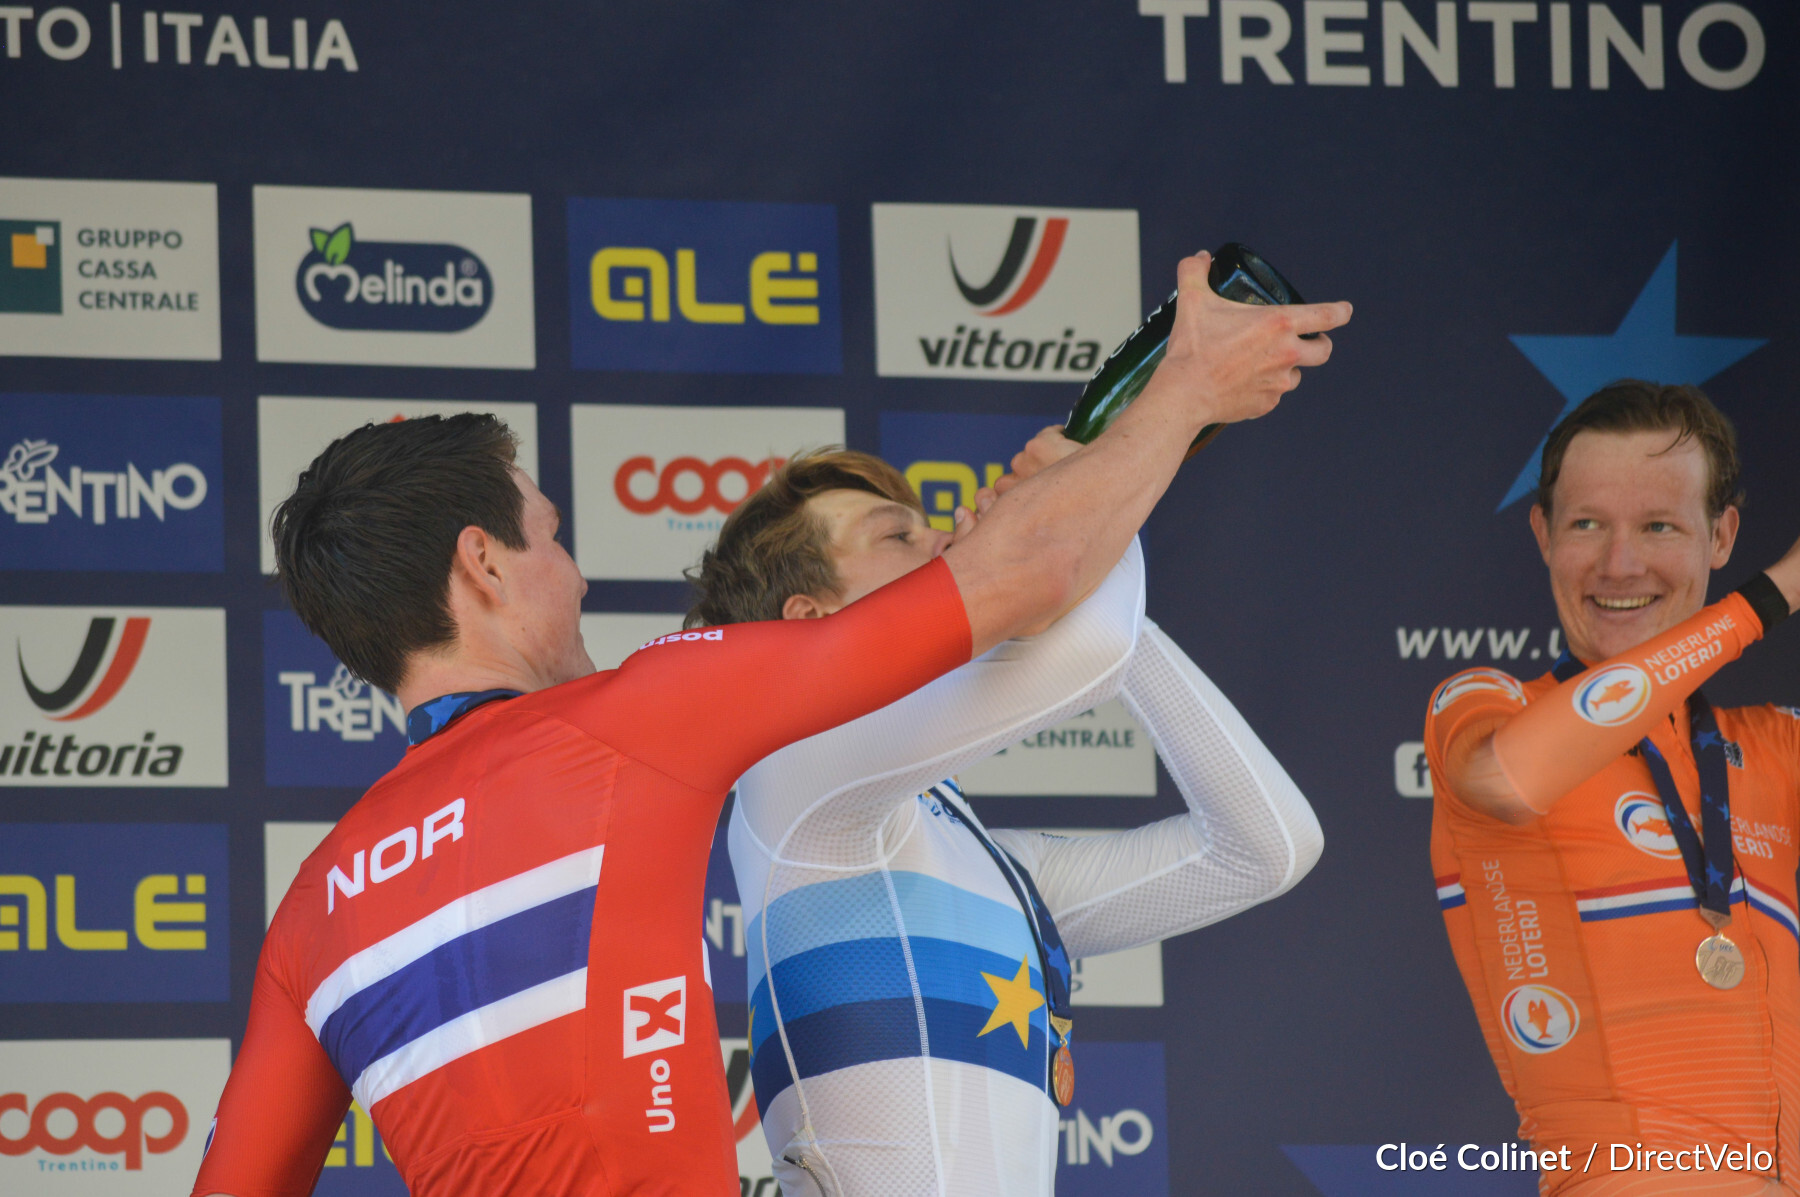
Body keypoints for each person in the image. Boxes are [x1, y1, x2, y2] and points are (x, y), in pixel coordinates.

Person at [190, 252, 1352, 1197]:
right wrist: (1178, 396)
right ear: (483, 564)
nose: (576, 577)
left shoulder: (313, 910)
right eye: (551, 538)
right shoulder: (626, 719)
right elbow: (1042, 588)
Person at [686, 433, 1324, 1196]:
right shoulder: (789, 769)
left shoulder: (985, 864)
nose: (951, 539)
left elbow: (1268, 846)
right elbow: (1094, 650)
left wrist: (1097, 571)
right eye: (898, 537)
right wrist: (1079, 499)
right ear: (810, 615)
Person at [1425, 381, 1800, 1197]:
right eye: (1587, 524)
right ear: (1542, 534)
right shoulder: (1489, 708)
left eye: (1659, 525)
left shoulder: (1775, 746)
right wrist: (1773, 596)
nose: (1619, 564)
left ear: (1721, 535)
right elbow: (1504, 779)